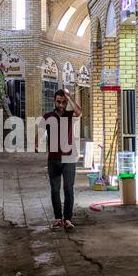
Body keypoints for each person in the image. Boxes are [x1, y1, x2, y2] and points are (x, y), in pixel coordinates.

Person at [37, 89, 82, 230]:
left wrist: (70, 97)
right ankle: (58, 218)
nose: (61, 105)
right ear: (54, 101)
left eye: (63, 102)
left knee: (68, 189)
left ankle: (67, 219)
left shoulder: (70, 115)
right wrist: (38, 142)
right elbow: (40, 132)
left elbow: (79, 112)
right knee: (55, 190)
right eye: (58, 102)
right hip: (54, 159)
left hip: (69, 158)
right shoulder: (47, 116)